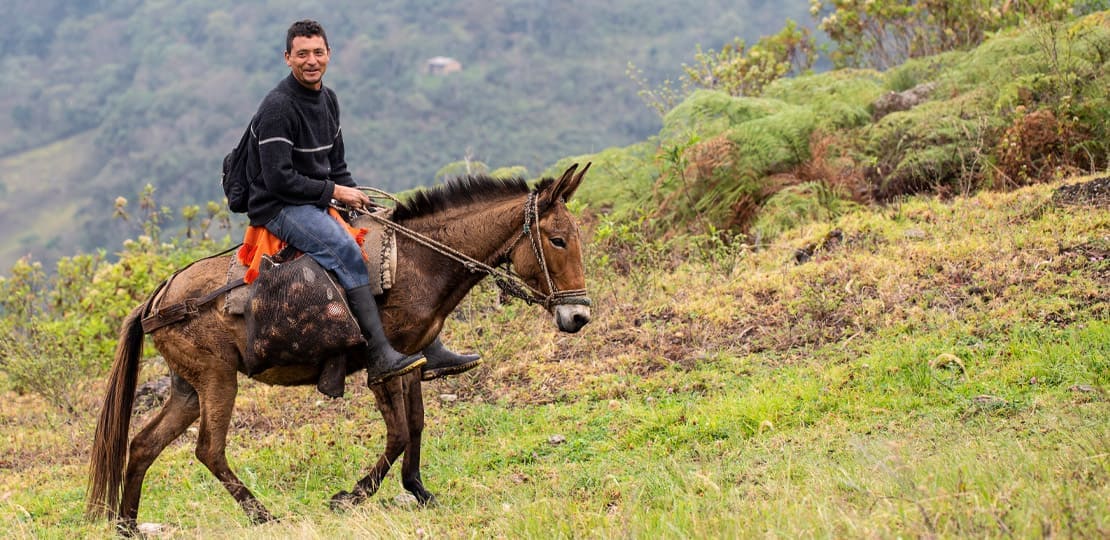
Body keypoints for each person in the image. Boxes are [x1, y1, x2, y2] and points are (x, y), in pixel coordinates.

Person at [245, 19, 478, 397]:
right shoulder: (277, 108)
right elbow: (278, 179)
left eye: (318, 52)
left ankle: (427, 346)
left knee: (392, 240)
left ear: (329, 55)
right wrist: (335, 191)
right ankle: (380, 353)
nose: (311, 60)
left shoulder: (328, 99)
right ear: (287, 58)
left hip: (316, 195)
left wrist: (352, 193)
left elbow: (336, 165)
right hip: (279, 205)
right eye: (302, 54)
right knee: (347, 254)